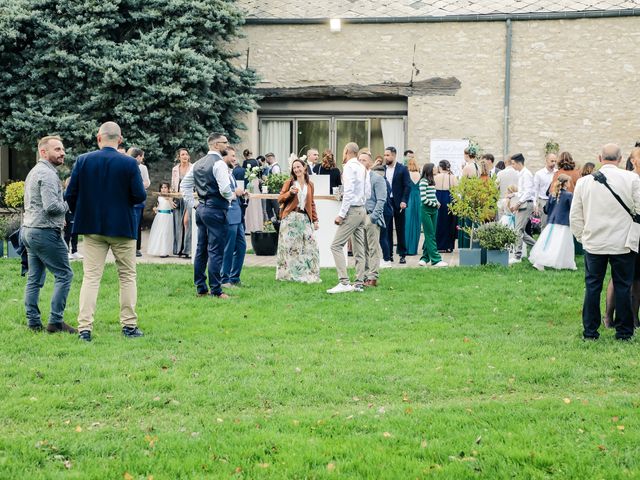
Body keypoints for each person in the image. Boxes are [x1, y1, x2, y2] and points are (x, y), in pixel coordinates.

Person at [65, 122, 147, 341]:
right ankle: (129, 326)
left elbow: (70, 194)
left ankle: (85, 328)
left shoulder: (84, 161)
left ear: (98, 138)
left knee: (91, 277)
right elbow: (139, 196)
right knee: (127, 276)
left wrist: (83, 211)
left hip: (92, 227)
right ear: (120, 140)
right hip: (122, 227)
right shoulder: (129, 163)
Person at [570, 143, 640, 341]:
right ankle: (624, 331)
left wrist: (581, 237)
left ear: (600, 158)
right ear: (619, 159)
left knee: (593, 286)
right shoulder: (632, 179)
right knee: (623, 286)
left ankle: (590, 332)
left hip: (594, 241)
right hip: (623, 241)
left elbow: (575, 214)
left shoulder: (584, 183)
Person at [21, 135, 75, 334]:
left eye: (62, 149)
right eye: (58, 149)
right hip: (44, 232)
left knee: (34, 278)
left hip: (29, 231)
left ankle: (34, 322)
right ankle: (56, 322)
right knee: (65, 275)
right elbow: (52, 207)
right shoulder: (49, 174)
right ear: (43, 152)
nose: (63, 153)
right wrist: (71, 202)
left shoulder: (35, 172)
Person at [180, 133, 239, 299]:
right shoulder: (219, 163)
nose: (227, 145)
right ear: (215, 145)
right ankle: (216, 290)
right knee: (215, 250)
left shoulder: (197, 163)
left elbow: (184, 185)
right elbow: (225, 189)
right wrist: (231, 197)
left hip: (201, 209)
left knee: (201, 249)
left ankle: (201, 287)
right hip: (216, 210)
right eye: (224, 142)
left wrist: (194, 204)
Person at [327, 142, 368, 294]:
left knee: (336, 246)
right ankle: (358, 283)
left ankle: (344, 282)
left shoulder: (349, 167)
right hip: (362, 209)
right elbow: (367, 191)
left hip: (352, 211)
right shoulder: (363, 167)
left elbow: (349, 192)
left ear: (347, 151)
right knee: (359, 248)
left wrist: (341, 214)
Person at [276, 158, 320, 283]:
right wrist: (290, 193)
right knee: (290, 248)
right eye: (294, 168)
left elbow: (311, 203)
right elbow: (280, 199)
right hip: (290, 218)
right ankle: (288, 275)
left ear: (304, 168)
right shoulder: (289, 183)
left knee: (310, 246)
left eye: (298, 167)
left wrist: (315, 220)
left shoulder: (310, 185)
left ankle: (308, 273)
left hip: (304, 218)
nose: (296, 169)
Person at [528, 174, 576, 271]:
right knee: (563, 244)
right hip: (563, 223)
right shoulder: (569, 195)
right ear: (565, 183)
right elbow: (573, 209)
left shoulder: (552, 195)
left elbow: (546, 209)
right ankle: (566, 263)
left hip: (551, 223)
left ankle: (540, 262)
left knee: (548, 243)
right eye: (569, 182)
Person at [359, 150, 386, 287]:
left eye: (363, 160)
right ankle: (363, 276)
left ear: (370, 163)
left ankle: (373, 277)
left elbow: (381, 200)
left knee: (373, 248)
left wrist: (373, 217)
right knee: (361, 248)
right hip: (358, 217)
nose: (361, 162)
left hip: (370, 216)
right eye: (359, 160)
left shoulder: (377, 178)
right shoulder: (357, 179)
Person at [221, 147, 247, 287]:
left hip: (237, 214)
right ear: (224, 157)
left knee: (242, 246)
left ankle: (234, 277)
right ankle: (224, 279)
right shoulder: (221, 172)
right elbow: (222, 191)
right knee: (228, 248)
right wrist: (234, 192)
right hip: (229, 214)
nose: (235, 158)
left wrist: (241, 193)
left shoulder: (230, 172)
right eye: (232, 156)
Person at [384, 146, 411, 264]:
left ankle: (402, 254)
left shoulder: (402, 169)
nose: (386, 157)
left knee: (400, 229)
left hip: (399, 203)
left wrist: (404, 201)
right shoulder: (382, 169)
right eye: (385, 155)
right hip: (386, 202)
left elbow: (407, 186)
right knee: (387, 230)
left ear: (394, 156)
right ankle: (388, 254)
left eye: (388, 155)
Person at [418, 163, 447, 267]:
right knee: (430, 234)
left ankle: (425, 258)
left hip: (434, 210)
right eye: (434, 168)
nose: (436, 169)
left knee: (430, 234)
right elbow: (424, 199)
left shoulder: (432, 181)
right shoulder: (423, 181)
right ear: (429, 169)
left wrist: (437, 202)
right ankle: (436, 259)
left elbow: (432, 195)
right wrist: (435, 204)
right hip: (426, 210)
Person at [509, 153, 536, 263]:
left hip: (525, 204)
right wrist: (514, 195)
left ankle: (517, 256)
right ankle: (538, 247)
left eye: (513, 164)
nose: (512, 166)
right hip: (523, 203)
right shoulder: (522, 174)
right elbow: (523, 191)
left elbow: (528, 192)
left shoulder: (526, 174)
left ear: (519, 163)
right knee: (521, 232)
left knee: (518, 230)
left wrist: (518, 203)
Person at [127, 147, 150, 257]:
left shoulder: (143, 168)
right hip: (129, 199)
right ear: (138, 156)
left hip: (138, 201)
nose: (143, 158)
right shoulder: (127, 165)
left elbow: (147, 183)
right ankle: (129, 247)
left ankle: (135, 248)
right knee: (131, 223)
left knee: (137, 224)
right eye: (142, 156)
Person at [171, 148, 193, 258]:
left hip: (189, 198)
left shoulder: (192, 168)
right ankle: (179, 249)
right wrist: (171, 199)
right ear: (178, 157)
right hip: (178, 198)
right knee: (178, 224)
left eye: (186, 154)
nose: (185, 156)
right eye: (182, 154)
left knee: (186, 222)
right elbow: (173, 185)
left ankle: (188, 250)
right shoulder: (175, 169)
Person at [434, 160, 459, 252]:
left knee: (438, 221)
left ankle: (438, 245)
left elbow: (433, 188)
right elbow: (456, 190)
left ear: (440, 167)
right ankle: (448, 246)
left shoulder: (436, 177)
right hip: (448, 198)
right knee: (449, 222)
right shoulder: (452, 177)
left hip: (438, 198)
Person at [147, 182, 175, 258]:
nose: (163, 189)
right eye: (162, 188)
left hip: (168, 216)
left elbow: (173, 207)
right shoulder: (159, 197)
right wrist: (155, 209)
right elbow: (156, 206)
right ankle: (160, 250)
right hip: (160, 217)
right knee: (160, 232)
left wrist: (169, 199)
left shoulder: (171, 197)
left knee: (166, 233)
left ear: (168, 189)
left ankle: (166, 251)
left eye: (165, 187)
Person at [533, 153, 557, 228]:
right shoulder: (539, 174)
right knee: (544, 225)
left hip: (555, 201)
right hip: (543, 202)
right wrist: (535, 205)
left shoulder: (557, 173)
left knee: (555, 224)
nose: (554, 163)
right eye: (552, 161)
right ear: (546, 161)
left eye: (555, 161)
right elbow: (535, 190)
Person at [404, 157, 421, 256]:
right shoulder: (420, 174)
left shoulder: (407, 174)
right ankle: (413, 249)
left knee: (407, 222)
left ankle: (406, 248)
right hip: (418, 198)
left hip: (409, 198)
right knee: (416, 223)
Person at [63, 177, 82, 260]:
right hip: (67, 217)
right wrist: (63, 218)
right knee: (67, 235)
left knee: (75, 234)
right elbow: (62, 206)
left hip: (75, 217)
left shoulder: (76, 194)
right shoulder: (64, 194)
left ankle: (74, 251)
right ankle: (66, 252)